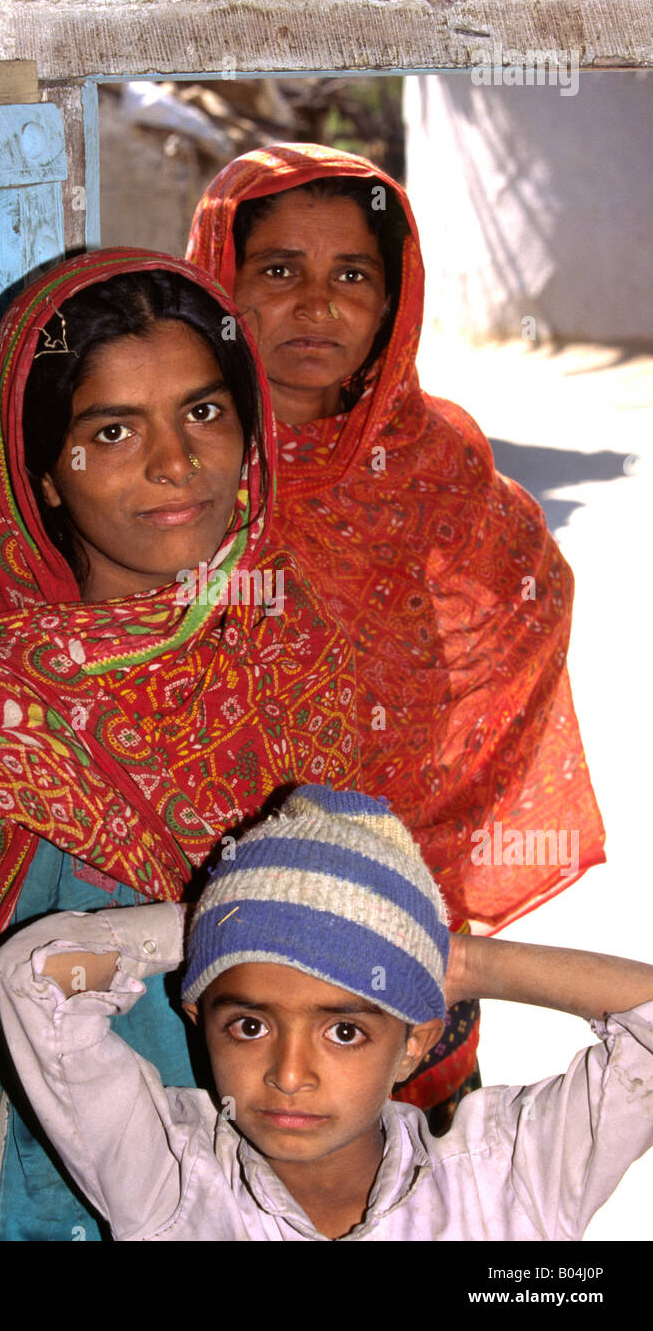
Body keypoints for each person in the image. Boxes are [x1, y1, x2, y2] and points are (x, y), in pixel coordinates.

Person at [0, 249, 361, 1241]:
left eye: (204, 412)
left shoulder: (302, 651)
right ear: (44, 473)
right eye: (112, 431)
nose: (175, 462)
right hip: (62, 1210)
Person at [186, 144, 606, 1121]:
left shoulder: (430, 457)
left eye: (353, 277)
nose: (316, 307)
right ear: (223, 278)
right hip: (217, 909)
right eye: (280, 271)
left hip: (405, 893)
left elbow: (531, 595)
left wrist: (430, 782)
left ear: (392, 302)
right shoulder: (180, 462)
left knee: (418, 1182)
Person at [0, 784, 653, 1242]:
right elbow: (30, 978)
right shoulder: (169, 1175)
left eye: (344, 1031)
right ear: (198, 1017)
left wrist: (467, 965)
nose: (290, 1074)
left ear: (415, 1042)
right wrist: (227, 926)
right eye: (249, 1024)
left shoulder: (504, 1181)